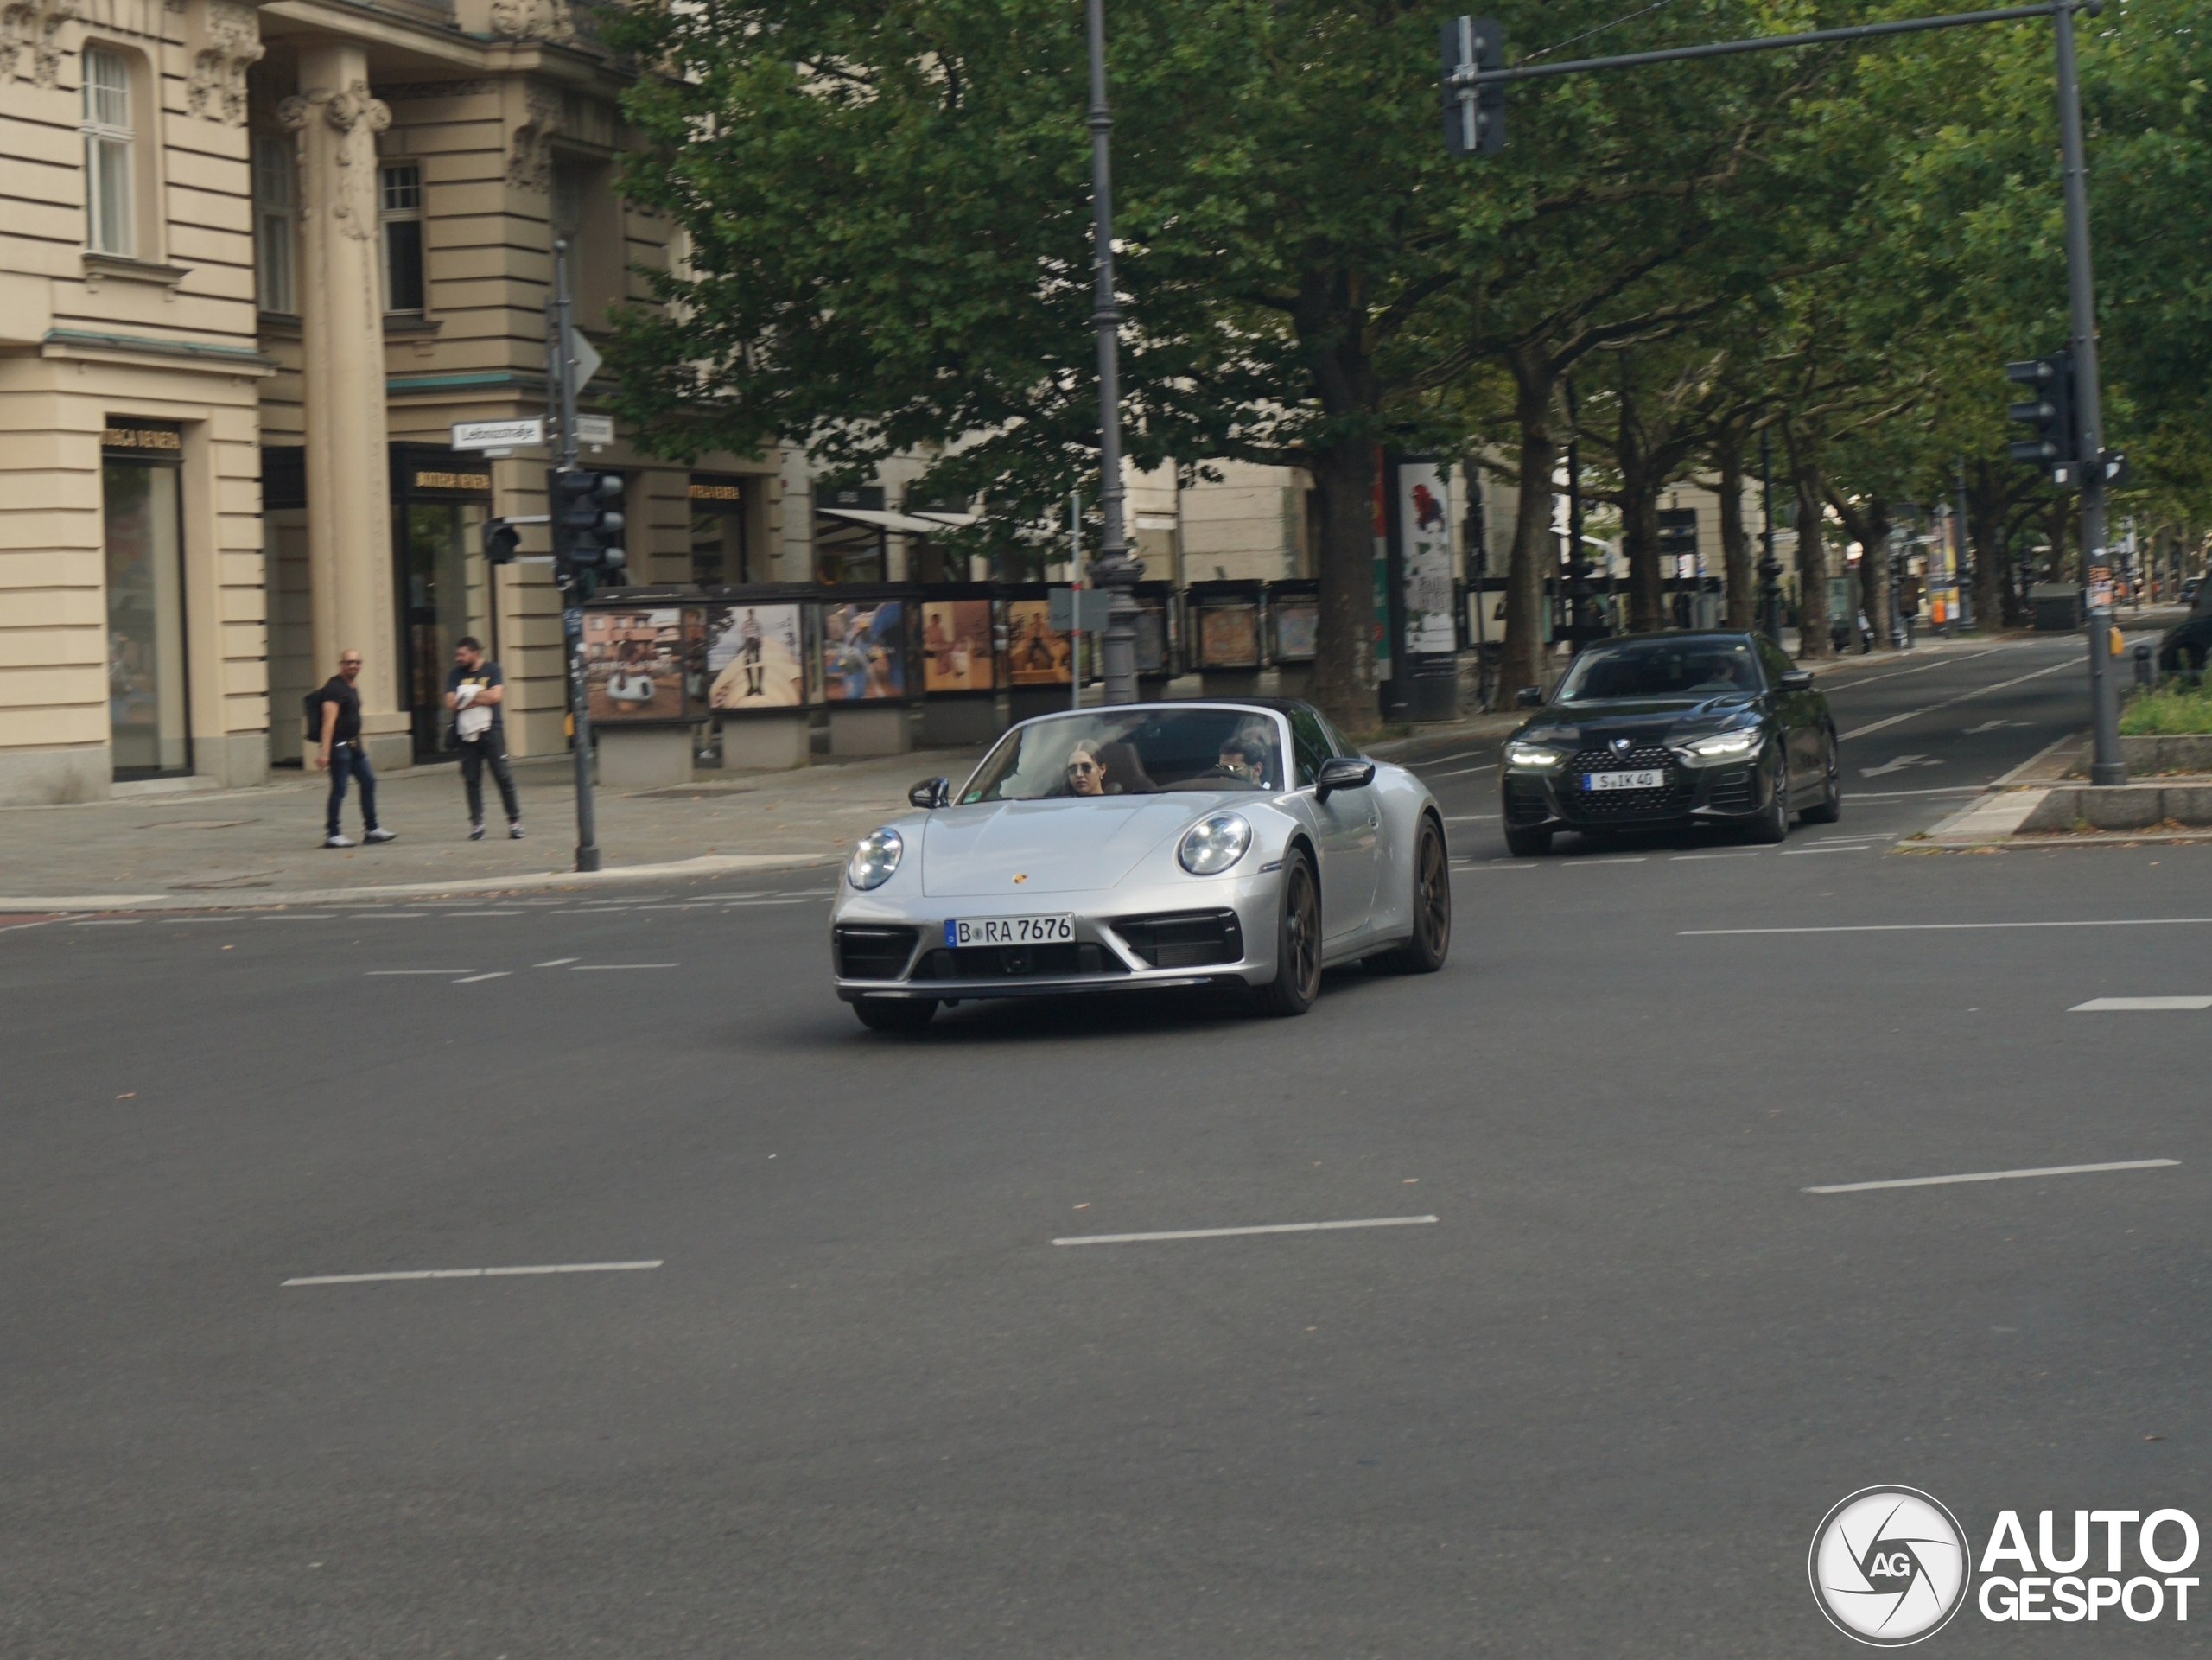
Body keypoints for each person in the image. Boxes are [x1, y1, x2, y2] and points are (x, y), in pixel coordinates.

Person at [314, 648, 396, 849]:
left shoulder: (352, 685)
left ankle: (372, 829)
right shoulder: (334, 687)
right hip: (339, 745)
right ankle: (333, 833)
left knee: (368, 781)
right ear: (341, 664)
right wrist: (324, 752)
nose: (353, 666)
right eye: (349, 662)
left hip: (354, 744)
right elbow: (328, 721)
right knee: (340, 789)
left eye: (357, 662)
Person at [445, 636, 523, 841]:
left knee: (503, 776)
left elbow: (495, 697)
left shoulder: (493, 670)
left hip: (492, 731)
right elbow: (451, 703)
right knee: (471, 779)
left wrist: (466, 696)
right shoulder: (455, 674)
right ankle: (477, 824)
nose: (458, 658)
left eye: (462, 654)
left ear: (475, 654)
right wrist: (479, 696)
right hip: (466, 734)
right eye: (457, 654)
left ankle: (515, 821)